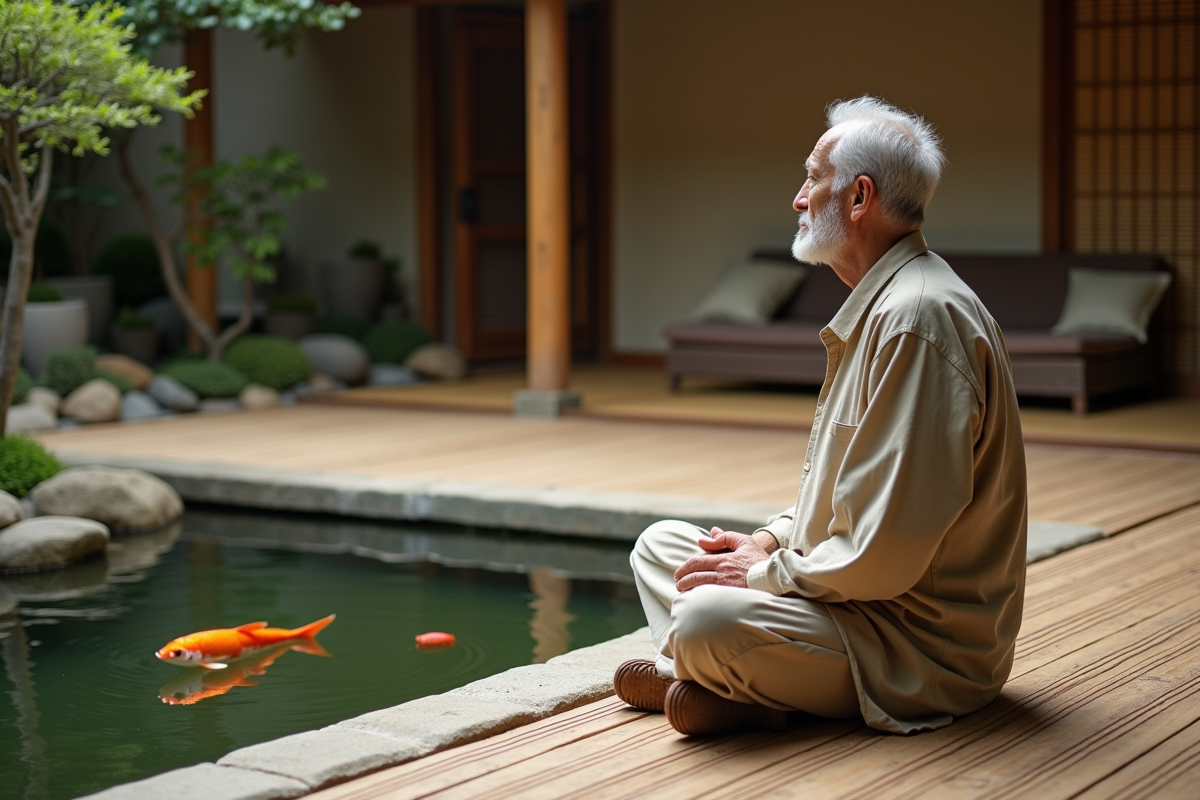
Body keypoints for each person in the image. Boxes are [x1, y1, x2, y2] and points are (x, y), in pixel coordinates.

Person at [615, 96, 1027, 736]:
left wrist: (755, 575)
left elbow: (884, 558)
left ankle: (727, 682)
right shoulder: (885, 304)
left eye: (812, 178)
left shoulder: (917, 318)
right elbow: (843, 495)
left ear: (860, 198)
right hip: (850, 602)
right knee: (662, 547)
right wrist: (769, 542)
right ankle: (735, 688)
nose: (799, 198)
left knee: (704, 619)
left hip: (916, 647)